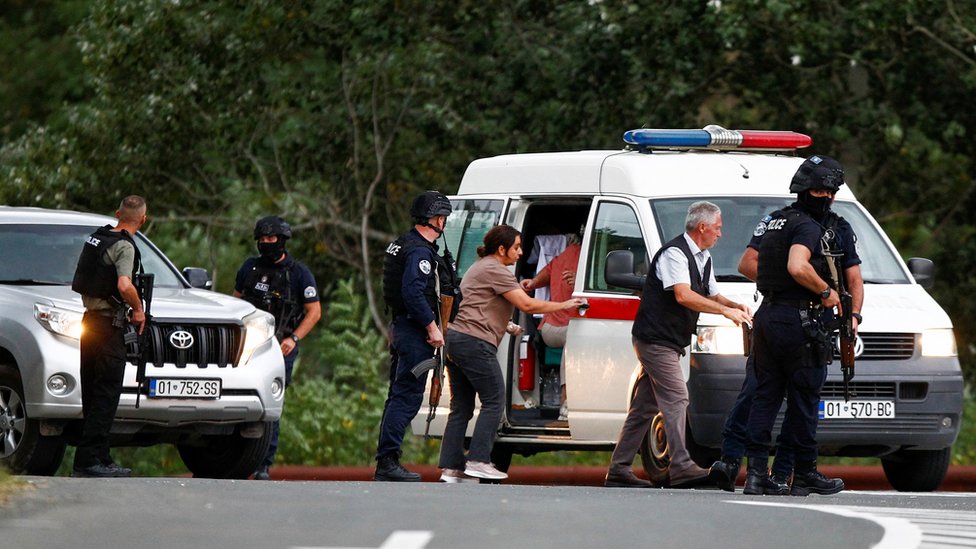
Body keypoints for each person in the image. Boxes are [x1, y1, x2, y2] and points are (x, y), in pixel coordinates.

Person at [708, 188, 862, 493]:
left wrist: (853, 317)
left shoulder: (818, 225)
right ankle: (783, 469)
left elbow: (853, 279)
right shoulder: (796, 224)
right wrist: (817, 289)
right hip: (798, 317)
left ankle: (766, 474)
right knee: (794, 398)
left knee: (765, 396)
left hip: (777, 316)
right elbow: (774, 265)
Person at [605, 201, 752, 488]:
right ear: (702, 227)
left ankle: (619, 469)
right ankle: (681, 465)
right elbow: (684, 296)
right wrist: (724, 312)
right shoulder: (675, 254)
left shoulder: (702, 258)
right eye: (718, 228)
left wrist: (737, 307)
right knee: (677, 396)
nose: (720, 234)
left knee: (644, 407)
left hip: (669, 341)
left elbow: (713, 295)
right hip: (654, 339)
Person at [439, 225, 583, 483]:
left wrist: (505, 325)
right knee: (494, 400)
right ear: (501, 248)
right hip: (475, 344)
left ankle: (451, 468)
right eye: (516, 247)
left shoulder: (479, 266)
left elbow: (478, 303)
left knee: (460, 407)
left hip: (457, 340)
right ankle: (479, 460)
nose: (520, 252)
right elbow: (526, 304)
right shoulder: (496, 269)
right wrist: (564, 304)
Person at [375, 190, 458, 482]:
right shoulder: (420, 252)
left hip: (403, 328)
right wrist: (432, 327)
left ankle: (386, 459)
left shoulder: (402, 244)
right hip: (414, 332)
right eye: (443, 218)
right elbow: (412, 292)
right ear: (437, 219)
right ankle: (387, 462)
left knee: (397, 394)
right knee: (407, 395)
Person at [234, 215, 322, 480]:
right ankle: (236, 459)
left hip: (278, 347)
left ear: (282, 240)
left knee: (270, 407)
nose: (265, 243)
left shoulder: (298, 273)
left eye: (270, 238)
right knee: (240, 400)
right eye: (261, 239)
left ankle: (264, 464)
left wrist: (293, 339)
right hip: (246, 346)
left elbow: (314, 312)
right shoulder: (249, 268)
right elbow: (235, 303)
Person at [70, 195, 148, 478]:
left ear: (118, 213)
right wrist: (138, 310)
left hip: (89, 322)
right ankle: (88, 461)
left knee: (92, 391)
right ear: (142, 219)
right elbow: (124, 284)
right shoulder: (124, 245)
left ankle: (100, 457)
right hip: (108, 326)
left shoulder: (97, 238)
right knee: (106, 393)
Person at [519, 232, 582, 419]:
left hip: (550, 327)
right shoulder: (582, 255)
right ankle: (566, 401)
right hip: (558, 326)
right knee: (577, 338)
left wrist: (532, 283)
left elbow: (545, 273)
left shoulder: (563, 256)